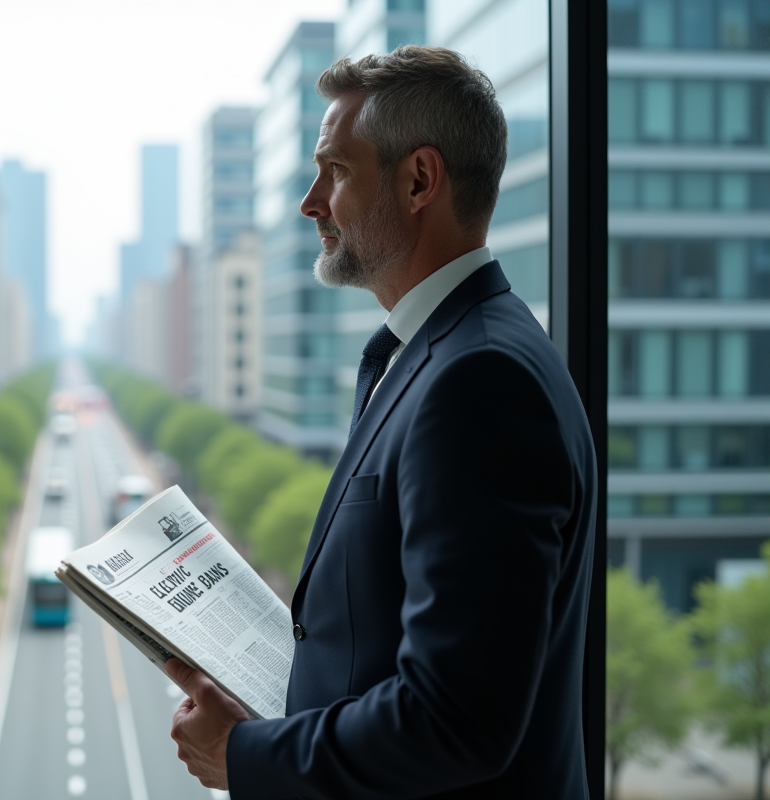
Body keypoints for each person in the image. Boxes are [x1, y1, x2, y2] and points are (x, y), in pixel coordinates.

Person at [167, 46, 597, 799]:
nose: (311, 202)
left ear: (419, 180)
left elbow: (455, 718)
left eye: (334, 170)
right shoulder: (438, 353)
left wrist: (246, 756)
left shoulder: (479, 381)